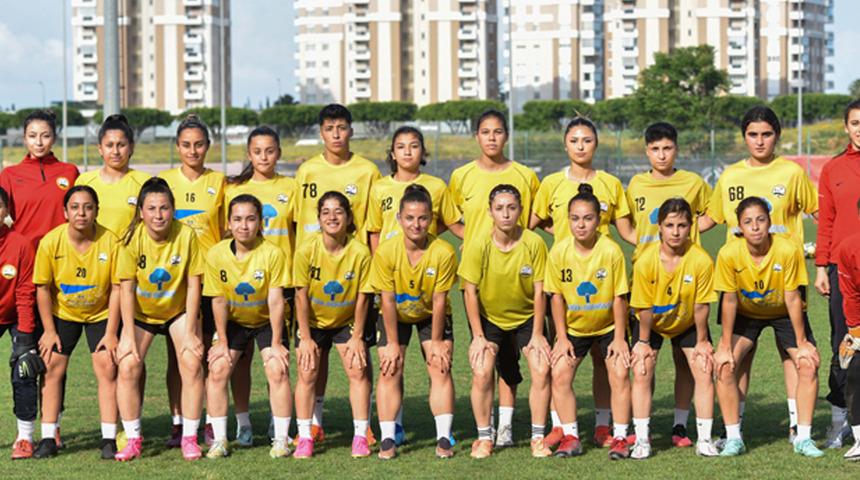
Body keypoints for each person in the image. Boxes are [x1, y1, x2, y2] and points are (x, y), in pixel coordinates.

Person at [701, 106, 818, 442]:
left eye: (767, 134)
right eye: (753, 134)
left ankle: (799, 426)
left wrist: (830, 254)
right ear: (744, 137)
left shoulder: (792, 173)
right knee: (739, 359)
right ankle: (732, 427)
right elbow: (709, 220)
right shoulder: (730, 176)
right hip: (740, 283)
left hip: (786, 281)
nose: (760, 140)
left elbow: (820, 211)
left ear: (777, 135)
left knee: (793, 356)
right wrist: (660, 239)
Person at [531, 116, 633, 447]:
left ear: (596, 144)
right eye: (574, 140)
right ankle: (562, 426)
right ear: (565, 144)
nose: (580, 146)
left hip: (604, 279)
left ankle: (605, 428)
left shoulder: (611, 184)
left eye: (587, 140)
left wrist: (652, 245)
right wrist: (559, 234)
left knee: (607, 368)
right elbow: (534, 221)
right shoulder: (551, 183)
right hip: (565, 282)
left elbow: (626, 229)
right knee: (558, 365)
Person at [448, 109, 540, 447]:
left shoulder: (525, 175)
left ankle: (506, 426)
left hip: (518, 281)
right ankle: (487, 432)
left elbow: (533, 219)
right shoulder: (461, 176)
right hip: (479, 282)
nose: (491, 138)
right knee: (487, 359)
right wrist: (471, 243)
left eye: (498, 132)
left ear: (506, 136)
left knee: (512, 367)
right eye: (485, 132)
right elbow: (449, 219)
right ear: (477, 136)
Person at [293, 104, 381, 444]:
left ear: (351, 131)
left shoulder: (367, 171)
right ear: (321, 132)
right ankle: (313, 421)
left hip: (353, 275)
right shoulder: (308, 171)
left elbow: (372, 227)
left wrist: (372, 276)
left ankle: (366, 424)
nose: (336, 134)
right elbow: (299, 223)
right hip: (312, 273)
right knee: (315, 356)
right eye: (329, 128)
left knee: (359, 354)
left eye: (342, 127)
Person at [713, 196, 821, 458]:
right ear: (739, 227)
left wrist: (802, 340)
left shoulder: (787, 249)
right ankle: (733, 437)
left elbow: (793, 296)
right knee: (725, 366)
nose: (756, 226)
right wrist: (725, 346)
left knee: (808, 363)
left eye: (761, 220)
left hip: (784, 312)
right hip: (745, 313)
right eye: (748, 222)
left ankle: (803, 438)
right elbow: (728, 300)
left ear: (770, 223)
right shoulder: (729, 253)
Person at [626, 122, 712, 448]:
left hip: (686, 281)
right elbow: (624, 220)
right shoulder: (636, 184)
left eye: (668, 148)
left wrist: (690, 234)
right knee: (643, 363)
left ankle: (681, 426)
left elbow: (712, 213)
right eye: (655, 149)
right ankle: (640, 433)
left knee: (688, 363)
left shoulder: (692, 182)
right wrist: (639, 241)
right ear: (647, 151)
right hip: (649, 277)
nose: (662, 155)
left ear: (676, 148)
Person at [113, 177, 205, 461]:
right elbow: (126, 289)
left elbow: (194, 284)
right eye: (151, 208)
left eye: (164, 208)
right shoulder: (130, 238)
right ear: (141, 211)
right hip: (142, 313)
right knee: (128, 364)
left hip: (178, 311)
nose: (158, 215)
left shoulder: (187, 235)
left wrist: (191, 332)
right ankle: (133, 439)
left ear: (173, 209)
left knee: (190, 361)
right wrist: (127, 334)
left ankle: (189, 437)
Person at [459, 184, 551, 459]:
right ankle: (485, 438)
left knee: (541, 367)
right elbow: (470, 292)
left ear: (521, 210)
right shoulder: (478, 245)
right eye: (499, 209)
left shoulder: (534, 243)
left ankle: (537, 438)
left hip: (526, 319)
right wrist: (478, 336)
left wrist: (537, 334)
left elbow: (539, 291)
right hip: (490, 320)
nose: (506, 214)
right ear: (490, 212)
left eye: (512, 208)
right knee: (482, 369)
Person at [31, 186, 120, 460]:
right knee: (51, 366)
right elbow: (43, 289)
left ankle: (109, 438)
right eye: (75, 207)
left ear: (96, 211)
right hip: (63, 313)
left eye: (88, 207)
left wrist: (112, 332)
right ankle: (48, 437)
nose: (81, 213)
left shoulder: (111, 241)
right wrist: (48, 330)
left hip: (101, 313)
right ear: (65, 212)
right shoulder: (51, 242)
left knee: (107, 366)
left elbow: (118, 288)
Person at [370, 184, 457, 459]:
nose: (416, 224)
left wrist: (439, 342)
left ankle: (444, 437)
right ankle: (387, 439)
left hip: (431, 314)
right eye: (409, 217)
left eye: (422, 218)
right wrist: (393, 343)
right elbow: (386, 299)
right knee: (389, 367)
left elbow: (440, 301)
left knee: (440, 366)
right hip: (395, 314)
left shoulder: (444, 252)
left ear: (431, 219)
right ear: (399, 219)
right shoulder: (385, 251)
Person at [545, 184, 632, 460]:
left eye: (588, 218)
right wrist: (561, 337)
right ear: (567, 220)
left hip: (608, 327)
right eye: (575, 218)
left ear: (599, 220)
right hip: (573, 329)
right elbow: (556, 298)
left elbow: (620, 298)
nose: (581, 225)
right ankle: (570, 436)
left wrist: (619, 338)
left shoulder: (611, 251)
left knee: (618, 372)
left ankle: (619, 436)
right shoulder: (559, 252)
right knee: (559, 373)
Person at [203, 194, 293, 459]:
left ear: (260, 222)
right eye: (238, 219)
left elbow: (276, 300)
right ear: (229, 223)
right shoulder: (217, 253)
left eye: (251, 219)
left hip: (267, 321)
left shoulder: (273, 253)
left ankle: (281, 438)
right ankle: (220, 439)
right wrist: (221, 340)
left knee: (277, 369)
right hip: (234, 322)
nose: (244, 225)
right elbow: (218, 300)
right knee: (218, 368)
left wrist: (276, 343)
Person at [224, 125, 298, 446]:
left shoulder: (291, 188)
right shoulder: (232, 190)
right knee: (240, 360)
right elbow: (225, 238)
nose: (264, 157)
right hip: (241, 288)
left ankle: (275, 420)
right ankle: (243, 423)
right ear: (249, 154)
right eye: (257, 151)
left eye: (270, 151)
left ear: (279, 153)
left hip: (281, 286)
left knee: (276, 357)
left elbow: (301, 234)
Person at [628, 198, 718, 459]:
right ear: (659, 227)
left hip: (688, 321)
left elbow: (702, 306)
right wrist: (643, 343)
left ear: (691, 227)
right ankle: (642, 439)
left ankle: (703, 438)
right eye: (669, 225)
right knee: (642, 369)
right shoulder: (645, 261)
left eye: (681, 225)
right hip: (651, 323)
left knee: (703, 367)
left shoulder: (701, 260)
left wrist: (702, 341)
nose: (676, 231)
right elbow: (642, 308)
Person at [158, 114, 225, 446]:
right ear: (177, 146)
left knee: (213, 353)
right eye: (186, 144)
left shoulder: (220, 182)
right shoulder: (164, 181)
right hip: (177, 283)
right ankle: (179, 421)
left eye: (199, 144)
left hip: (212, 283)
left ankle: (212, 421)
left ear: (208, 146)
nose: (193, 150)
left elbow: (227, 233)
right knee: (180, 356)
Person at [292, 191, 373, 459]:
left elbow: (363, 297)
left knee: (358, 369)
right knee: (307, 372)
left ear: (349, 217)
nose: (332, 217)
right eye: (325, 212)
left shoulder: (360, 252)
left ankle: (361, 435)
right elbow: (300, 296)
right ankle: (305, 436)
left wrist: (358, 336)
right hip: (312, 322)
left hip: (346, 321)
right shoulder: (306, 250)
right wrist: (305, 337)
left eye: (338, 211)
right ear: (318, 218)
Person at [814, 99, 860, 448]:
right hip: (842, 270)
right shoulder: (832, 169)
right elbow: (826, 221)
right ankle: (841, 420)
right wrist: (820, 268)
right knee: (843, 343)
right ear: (846, 127)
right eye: (855, 122)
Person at [367, 126, 462, 251]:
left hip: (426, 261)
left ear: (423, 152)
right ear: (393, 154)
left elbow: (452, 223)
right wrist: (377, 262)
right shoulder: (379, 188)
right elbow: (375, 232)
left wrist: (475, 242)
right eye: (401, 147)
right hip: (390, 264)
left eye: (414, 146)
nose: (407, 152)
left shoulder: (437, 186)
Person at [0, 186, 43, 459]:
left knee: (25, 368)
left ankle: (25, 438)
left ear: (6, 211)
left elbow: (25, 292)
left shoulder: (21, 243)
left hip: (17, 313)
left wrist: (26, 337)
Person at [0, 109, 79, 247]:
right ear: (24, 139)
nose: (39, 142)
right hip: (26, 254)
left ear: (54, 138)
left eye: (45, 136)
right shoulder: (9, 175)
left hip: (63, 251)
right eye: (32, 136)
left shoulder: (70, 172)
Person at [75, 114, 151, 235]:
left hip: (132, 253)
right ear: (100, 148)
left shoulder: (145, 182)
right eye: (109, 145)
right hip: (95, 253)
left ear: (131, 147)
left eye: (121, 145)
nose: (115, 152)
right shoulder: (85, 182)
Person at [835, 198, 860, 460]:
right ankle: (859, 438)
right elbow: (851, 295)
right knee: (855, 372)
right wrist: (855, 331)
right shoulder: (849, 248)